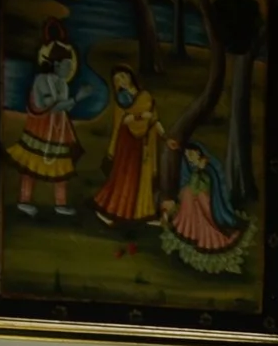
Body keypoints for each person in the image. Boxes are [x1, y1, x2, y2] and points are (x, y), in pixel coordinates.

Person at [6, 21, 83, 215]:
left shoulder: (62, 84)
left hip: (58, 129)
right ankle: (24, 200)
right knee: (31, 163)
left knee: (61, 165)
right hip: (40, 127)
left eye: (70, 65)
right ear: (56, 64)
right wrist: (77, 98)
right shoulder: (41, 80)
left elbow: (63, 106)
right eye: (66, 64)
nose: (69, 68)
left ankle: (61, 203)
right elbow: (49, 105)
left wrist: (71, 102)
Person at [159, 140, 254, 274]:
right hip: (191, 197)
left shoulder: (207, 164)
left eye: (192, 154)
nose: (190, 157)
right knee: (188, 196)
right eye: (188, 155)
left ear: (198, 153)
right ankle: (190, 231)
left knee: (201, 204)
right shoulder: (188, 164)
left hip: (205, 196)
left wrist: (200, 172)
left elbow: (212, 180)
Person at [91, 66, 161, 228]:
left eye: (123, 76)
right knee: (125, 177)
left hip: (143, 143)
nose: (121, 81)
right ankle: (108, 210)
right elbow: (120, 123)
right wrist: (112, 148)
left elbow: (151, 117)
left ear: (130, 76)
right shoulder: (120, 100)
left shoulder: (144, 96)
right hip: (127, 142)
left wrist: (137, 118)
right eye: (117, 79)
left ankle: (143, 213)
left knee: (142, 179)